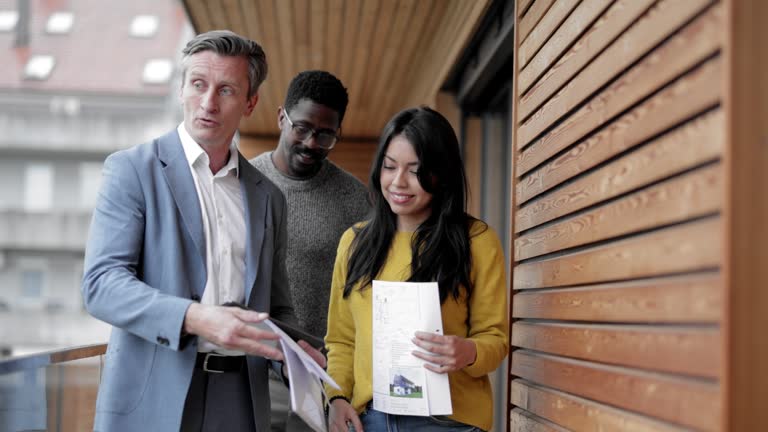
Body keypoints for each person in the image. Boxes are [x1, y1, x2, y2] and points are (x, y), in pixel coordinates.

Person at [81, 30, 322, 432]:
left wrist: (302, 353)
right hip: (152, 395)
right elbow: (101, 285)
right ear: (181, 88)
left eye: (226, 90)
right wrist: (197, 318)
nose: (208, 103)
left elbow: (277, 309)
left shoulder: (268, 199)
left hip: (241, 401)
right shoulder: (132, 171)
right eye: (198, 84)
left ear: (250, 102)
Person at [324, 107, 508, 432]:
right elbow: (341, 341)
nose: (398, 182)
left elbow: (495, 339)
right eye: (389, 167)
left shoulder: (477, 241)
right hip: (371, 420)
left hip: (450, 422)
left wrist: (467, 351)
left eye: (415, 170)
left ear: (441, 173)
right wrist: (336, 398)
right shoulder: (354, 243)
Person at [250, 70, 368, 431]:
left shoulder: (356, 198)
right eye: (301, 128)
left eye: (325, 134)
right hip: (255, 369)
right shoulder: (245, 183)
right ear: (282, 117)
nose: (312, 142)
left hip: (325, 375)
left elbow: (365, 290)